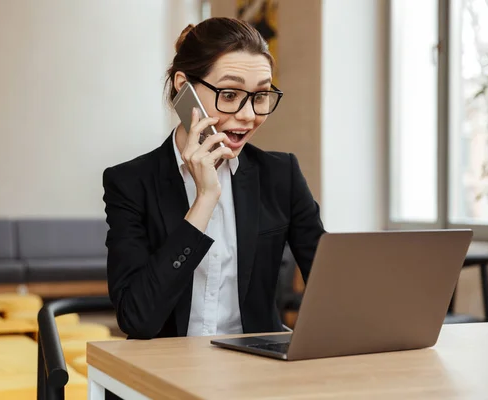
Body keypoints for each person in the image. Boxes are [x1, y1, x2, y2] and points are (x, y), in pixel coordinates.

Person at [103, 17, 326, 342]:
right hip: (164, 370)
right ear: (184, 87)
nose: (249, 115)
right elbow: (138, 319)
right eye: (230, 94)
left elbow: (330, 284)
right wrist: (205, 199)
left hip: (256, 369)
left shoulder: (281, 175)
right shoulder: (131, 182)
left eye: (261, 95)